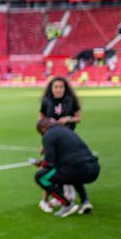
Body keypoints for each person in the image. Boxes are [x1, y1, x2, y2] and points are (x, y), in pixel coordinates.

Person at [33, 118, 99, 218]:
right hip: (94, 168)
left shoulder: (48, 135)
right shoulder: (66, 131)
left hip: (76, 170)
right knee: (69, 170)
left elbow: (50, 163)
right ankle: (85, 201)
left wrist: (40, 163)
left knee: (40, 177)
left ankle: (66, 204)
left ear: (43, 129)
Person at [37, 77, 82, 212]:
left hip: (68, 140)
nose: (58, 89)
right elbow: (41, 122)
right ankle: (44, 200)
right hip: (52, 140)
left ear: (65, 88)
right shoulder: (46, 101)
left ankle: (63, 196)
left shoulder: (71, 100)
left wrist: (68, 119)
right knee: (52, 168)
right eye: (55, 87)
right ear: (51, 88)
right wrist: (44, 140)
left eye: (61, 87)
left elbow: (78, 118)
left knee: (65, 167)